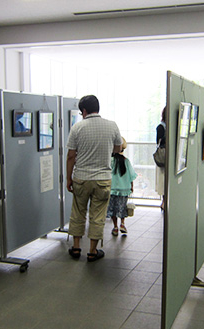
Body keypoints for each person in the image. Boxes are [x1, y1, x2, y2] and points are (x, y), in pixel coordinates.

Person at [66, 95, 122, 262]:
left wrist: (69, 178)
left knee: (78, 212)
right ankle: (92, 251)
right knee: (97, 216)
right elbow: (118, 148)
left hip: (81, 178)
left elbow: (71, 156)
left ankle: (76, 248)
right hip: (102, 179)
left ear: (84, 111)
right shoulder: (112, 126)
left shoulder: (77, 128)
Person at [107, 137, 137, 236]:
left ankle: (115, 227)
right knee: (122, 207)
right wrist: (131, 186)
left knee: (113, 209)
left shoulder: (110, 161)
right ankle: (122, 224)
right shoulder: (126, 161)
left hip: (112, 189)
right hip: (124, 189)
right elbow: (131, 175)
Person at [155, 108, 166, 210]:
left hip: (162, 158)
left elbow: (157, 142)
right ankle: (164, 202)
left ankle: (164, 201)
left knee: (163, 181)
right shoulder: (172, 126)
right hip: (168, 158)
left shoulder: (160, 127)